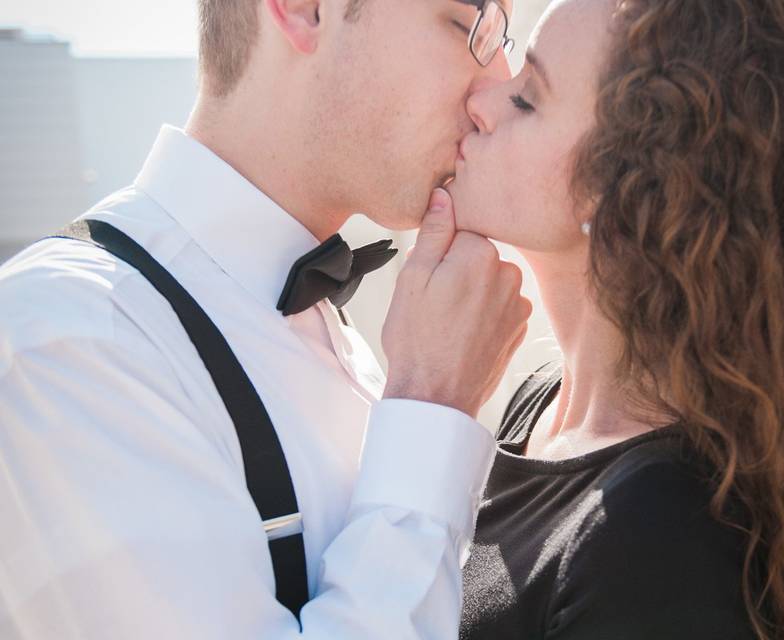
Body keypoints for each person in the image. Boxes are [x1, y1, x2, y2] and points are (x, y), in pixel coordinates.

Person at [0, 1, 532, 638]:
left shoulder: (324, 326)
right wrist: (432, 403)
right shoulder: (67, 338)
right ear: (305, 10)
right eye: (466, 24)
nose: (499, 80)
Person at [447, 0, 784, 638]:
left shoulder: (657, 533)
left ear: (626, 184)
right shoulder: (538, 407)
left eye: (528, 99)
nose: (483, 102)